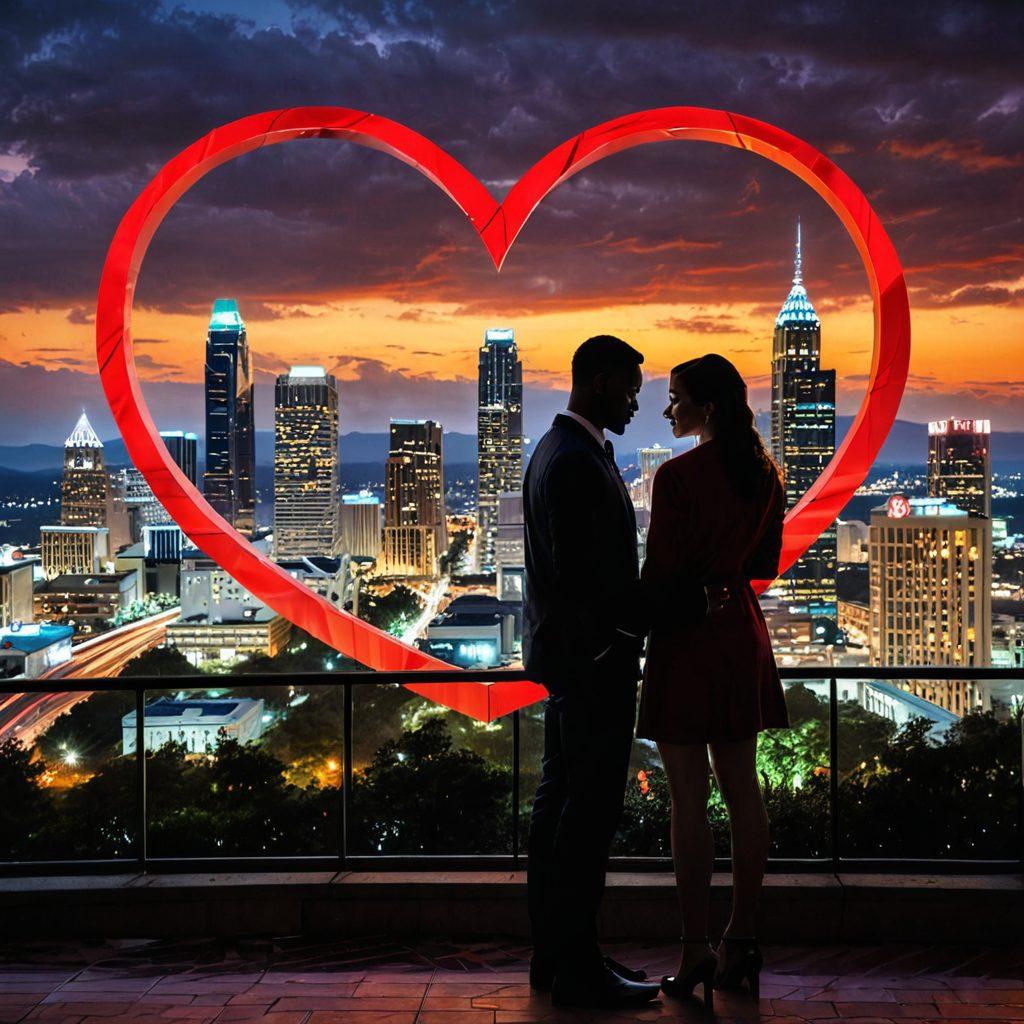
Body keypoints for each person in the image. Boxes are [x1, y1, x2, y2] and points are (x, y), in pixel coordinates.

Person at [523, 335, 711, 1010]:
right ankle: (577, 969)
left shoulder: (555, 449)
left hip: (568, 662)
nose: (637, 404)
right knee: (588, 818)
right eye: (631, 390)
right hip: (592, 666)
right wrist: (676, 606)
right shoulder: (576, 461)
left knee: (558, 808)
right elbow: (589, 583)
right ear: (599, 382)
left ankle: (557, 955)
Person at [637, 353, 788, 1010]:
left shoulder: (676, 477)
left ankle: (694, 947)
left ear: (708, 407)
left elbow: (660, 576)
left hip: (686, 640)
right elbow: (764, 563)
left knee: (688, 802)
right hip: (739, 633)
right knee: (744, 792)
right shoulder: (763, 474)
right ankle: (742, 937)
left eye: (676, 398)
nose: (667, 409)